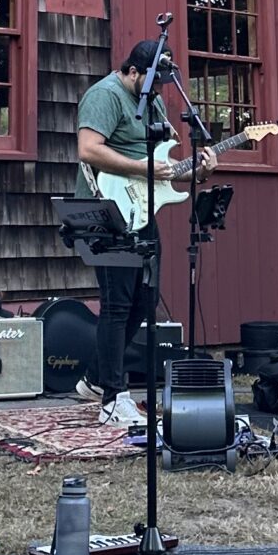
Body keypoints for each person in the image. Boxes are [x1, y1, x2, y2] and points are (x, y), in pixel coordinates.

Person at [74, 41, 209, 427]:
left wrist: (199, 171)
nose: (158, 90)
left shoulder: (155, 103)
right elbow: (88, 149)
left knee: (145, 301)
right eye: (151, 82)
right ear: (133, 72)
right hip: (106, 209)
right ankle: (113, 398)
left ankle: (96, 379)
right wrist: (140, 168)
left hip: (142, 210)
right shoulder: (104, 95)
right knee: (116, 304)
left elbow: (164, 168)